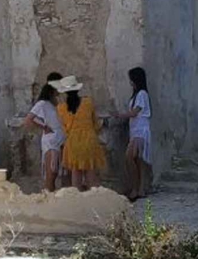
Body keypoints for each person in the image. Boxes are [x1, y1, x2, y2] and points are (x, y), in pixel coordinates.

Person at [55, 76, 106, 191]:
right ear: (77, 89)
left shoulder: (61, 108)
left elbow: (64, 128)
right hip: (89, 140)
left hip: (73, 142)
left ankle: (78, 199)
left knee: (75, 173)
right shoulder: (88, 102)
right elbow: (95, 124)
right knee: (90, 173)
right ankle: (93, 198)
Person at [113, 66, 153, 200]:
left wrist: (119, 115)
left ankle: (136, 188)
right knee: (138, 160)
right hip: (136, 130)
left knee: (129, 158)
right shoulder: (137, 95)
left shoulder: (141, 94)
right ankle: (140, 188)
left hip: (140, 131)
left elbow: (135, 112)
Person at [24, 79, 66, 192]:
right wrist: (44, 127)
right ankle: (48, 196)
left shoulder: (55, 104)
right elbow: (28, 119)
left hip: (61, 139)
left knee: (59, 172)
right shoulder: (42, 103)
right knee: (51, 173)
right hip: (52, 141)